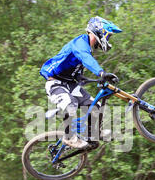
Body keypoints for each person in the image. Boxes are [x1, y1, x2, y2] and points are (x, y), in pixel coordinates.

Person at [40, 16, 122, 149]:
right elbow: (85, 58)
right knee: (70, 104)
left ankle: (93, 132)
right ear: (100, 32)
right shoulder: (80, 43)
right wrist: (101, 73)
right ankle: (69, 137)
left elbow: (76, 67)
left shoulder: (86, 47)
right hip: (55, 84)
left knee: (95, 105)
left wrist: (82, 77)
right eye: (108, 36)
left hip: (70, 84)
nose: (108, 40)